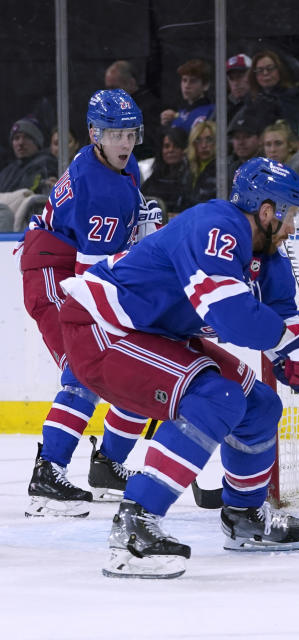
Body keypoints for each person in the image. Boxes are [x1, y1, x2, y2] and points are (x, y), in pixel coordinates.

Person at [57, 156, 299, 578]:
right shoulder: (215, 226)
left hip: (154, 333)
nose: (294, 226)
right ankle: (135, 526)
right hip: (100, 328)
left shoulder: (271, 260)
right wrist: (288, 348)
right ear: (266, 211)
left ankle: (243, 516)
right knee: (217, 397)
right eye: (291, 214)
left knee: (259, 406)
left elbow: (298, 333)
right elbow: (231, 317)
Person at [20, 89, 158, 517]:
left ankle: (108, 465)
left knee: (137, 359)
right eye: (115, 134)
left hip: (70, 266)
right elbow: (93, 282)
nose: (125, 143)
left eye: (131, 133)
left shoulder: (116, 162)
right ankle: (48, 475)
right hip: (53, 276)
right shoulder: (98, 190)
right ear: (96, 134)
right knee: (83, 368)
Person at [0, 118, 58, 232]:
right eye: (16, 138)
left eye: (26, 137)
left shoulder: (46, 163)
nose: (20, 143)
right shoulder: (7, 171)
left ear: (37, 141)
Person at [104, 60, 163, 158]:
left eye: (114, 88)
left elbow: (151, 143)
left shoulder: (150, 107)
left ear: (131, 83)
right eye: (108, 89)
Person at [247, 50, 299, 133]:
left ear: (279, 70)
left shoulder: (293, 96)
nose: (265, 73)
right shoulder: (250, 101)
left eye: (270, 68)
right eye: (260, 70)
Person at [142, 127, 189, 215]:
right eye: (167, 146)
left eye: (176, 146)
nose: (170, 150)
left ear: (184, 149)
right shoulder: (154, 177)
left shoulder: (190, 178)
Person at [161, 59, 215, 133]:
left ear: (205, 85)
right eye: (184, 80)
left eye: (193, 81)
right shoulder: (178, 114)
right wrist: (166, 126)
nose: (186, 86)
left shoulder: (213, 112)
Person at [180, 120, 218, 210]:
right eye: (198, 140)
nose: (204, 145)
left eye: (209, 139)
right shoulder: (187, 167)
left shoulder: (223, 168)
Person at [226, 109, 263, 175]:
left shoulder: (268, 167)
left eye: (247, 137)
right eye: (237, 137)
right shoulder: (230, 169)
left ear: (260, 139)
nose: (241, 142)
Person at [225, 53, 252, 124]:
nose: (236, 83)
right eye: (231, 78)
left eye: (239, 76)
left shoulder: (261, 105)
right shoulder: (222, 108)